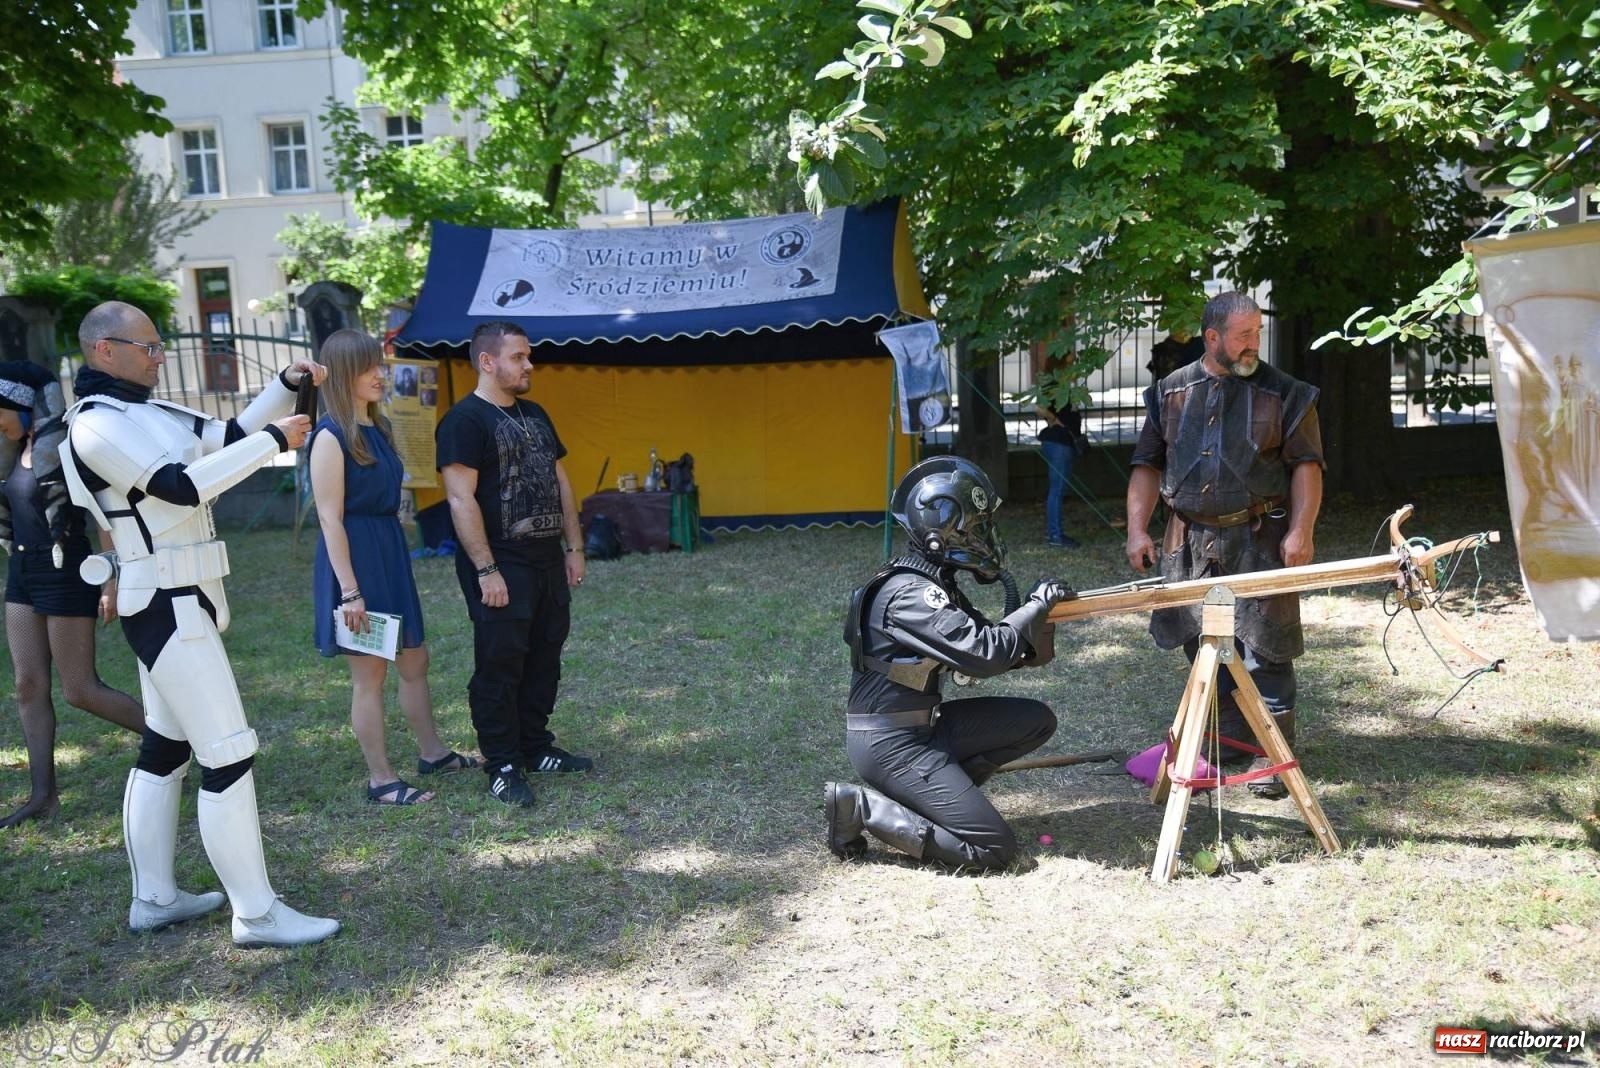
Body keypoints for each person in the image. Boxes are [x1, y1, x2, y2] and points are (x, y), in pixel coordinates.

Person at [61, 301, 339, 946]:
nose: (159, 357)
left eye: (159, 347)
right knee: (229, 753)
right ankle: (257, 912)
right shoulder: (96, 426)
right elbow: (181, 488)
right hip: (165, 600)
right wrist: (276, 441)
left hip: (182, 598)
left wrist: (282, 387)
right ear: (105, 350)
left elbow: (226, 437)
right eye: (149, 347)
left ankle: (155, 898)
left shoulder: (145, 412)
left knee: (166, 747)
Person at [827, 456, 1073, 869]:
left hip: (926, 730)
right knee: (995, 850)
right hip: (891, 744)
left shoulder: (933, 584)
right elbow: (987, 654)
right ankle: (863, 808)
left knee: (1036, 720)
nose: (985, 537)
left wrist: (1043, 617)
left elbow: (1013, 654)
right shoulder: (908, 594)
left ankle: (937, 800)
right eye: (974, 528)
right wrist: (1033, 606)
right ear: (939, 532)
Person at [1124, 291, 1324, 799]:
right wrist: (1137, 529)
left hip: (1260, 536)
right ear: (1212, 338)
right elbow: (1146, 465)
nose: (1254, 342)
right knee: (1201, 646)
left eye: (1258, 332)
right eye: (1243, 335)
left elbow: (1307, 466)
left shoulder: (1286, 393)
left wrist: (1302, 530)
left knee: (1265, 649)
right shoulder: (1169, 392)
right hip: (1187, 538)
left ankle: (1275, 763)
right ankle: (1230, 744)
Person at [308, 330, 479, 806]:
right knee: (371, 675)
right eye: (369, 368)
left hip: (387, 552)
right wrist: (350, 592)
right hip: (355, 562)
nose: (381, 375)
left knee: (414, 658)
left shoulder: (376, 430)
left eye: (380, 365)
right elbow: (329, 517)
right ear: (344, 375)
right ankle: (381, 780)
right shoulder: (330, 435)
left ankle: (434, 753)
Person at [436, 321, 591, 809]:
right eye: (519, 357)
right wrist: (486, 570)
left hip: (547, 560)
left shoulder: (536, 413)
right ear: (488, 361)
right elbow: (460, 499)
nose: (529, 365)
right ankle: (501, 763)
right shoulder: (464, 421)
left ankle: (535, 746)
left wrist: (575, 546)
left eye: (528, 356)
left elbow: (560, 481)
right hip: (501, 564)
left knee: (545, 657)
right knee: (500, 665)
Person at [1, 361, 144, 827]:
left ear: (22, 406)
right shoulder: (11, 452)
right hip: (22, 571)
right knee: (27, 685)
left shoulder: (67, 446)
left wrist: (111, 577)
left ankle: (178, 742)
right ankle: (42, 794)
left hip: (68, 570)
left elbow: (105, 513)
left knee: (80, 690)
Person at [1036, 399, 1084, 549]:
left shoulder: (1066, 389)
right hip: (1059, 444)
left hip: (1063, 443)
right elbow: (1039, 408)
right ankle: (1055, 535)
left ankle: (1054, 533)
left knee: (1059, 490)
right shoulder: (1053, 385)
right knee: (1057, 490)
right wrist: (1055, 420)